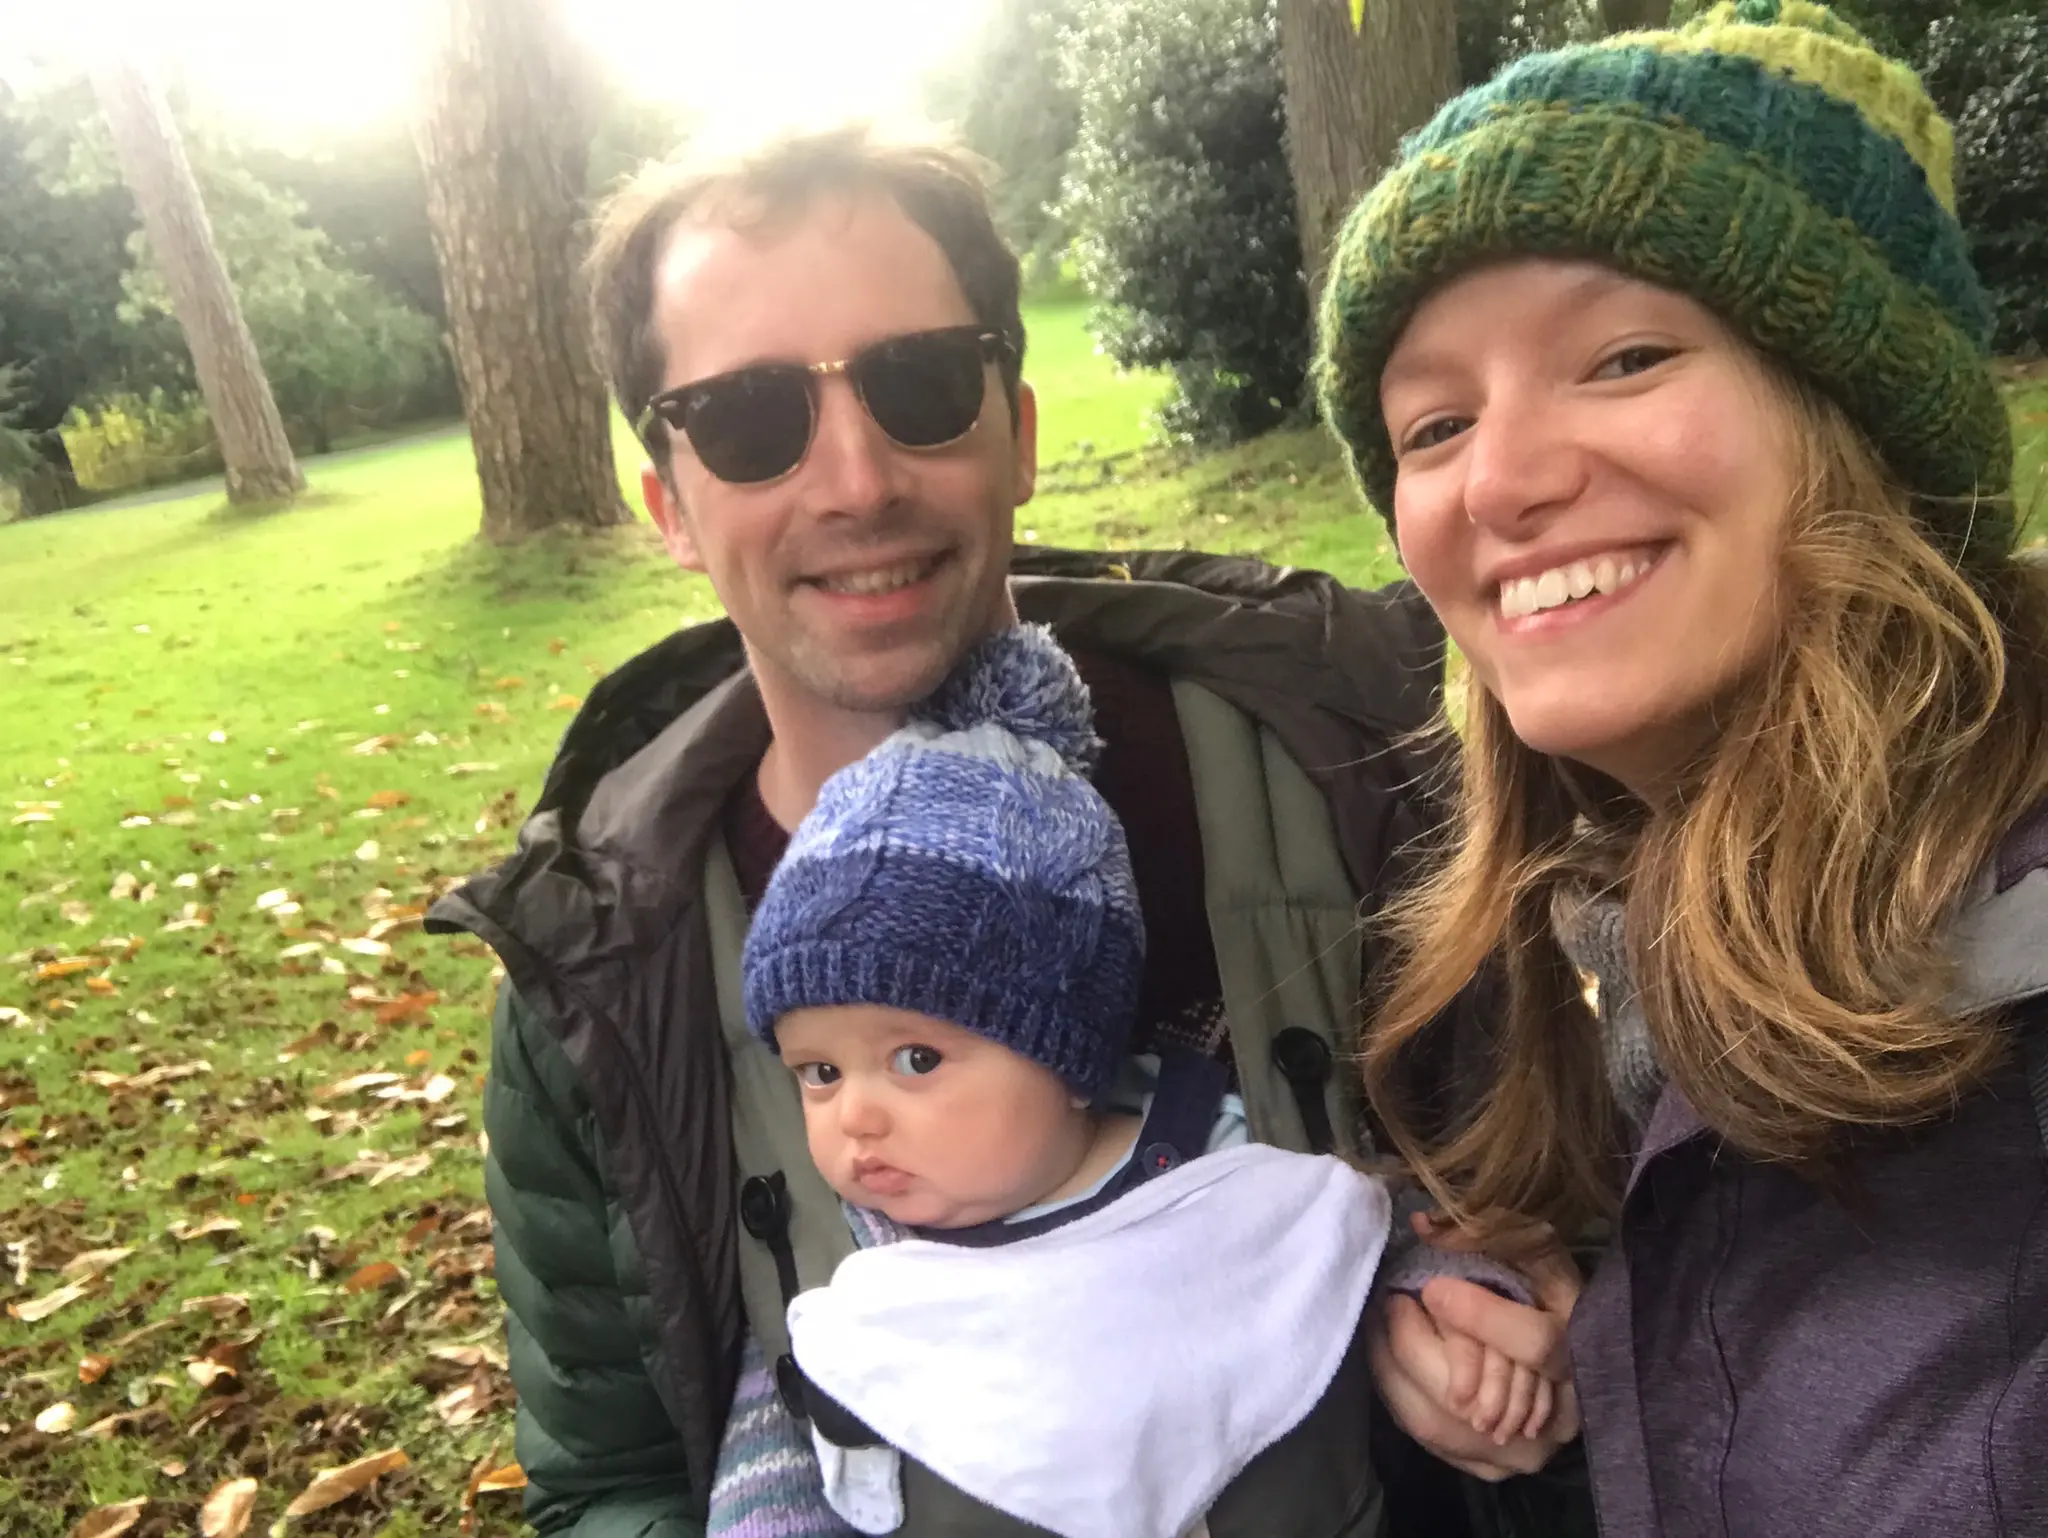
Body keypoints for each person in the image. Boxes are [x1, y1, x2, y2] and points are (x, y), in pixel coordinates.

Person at [426, 126, 1589, 1537]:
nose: (855, 480)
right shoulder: (607, 969)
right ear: (671, 502)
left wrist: (1536, 1348)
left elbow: (1603, 1221)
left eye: (919, 385)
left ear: (1017, 429)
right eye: (749, 419)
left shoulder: (1360, 769)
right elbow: (610, 1476)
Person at [1313, 2, 2048, 1533]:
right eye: (1434, 423)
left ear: (1857, 417)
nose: (1503, 480)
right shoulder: (1593, 956)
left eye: (1627, 356)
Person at [721, 622, 1550, 1538]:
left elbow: (1349, 1248)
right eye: (819, 1073)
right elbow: (784, 1436)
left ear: (1068, 1054)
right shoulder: (866, 1275)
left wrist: (1456, 1303)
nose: (856, 1119)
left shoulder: (1214, 1156)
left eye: (916, 1060)